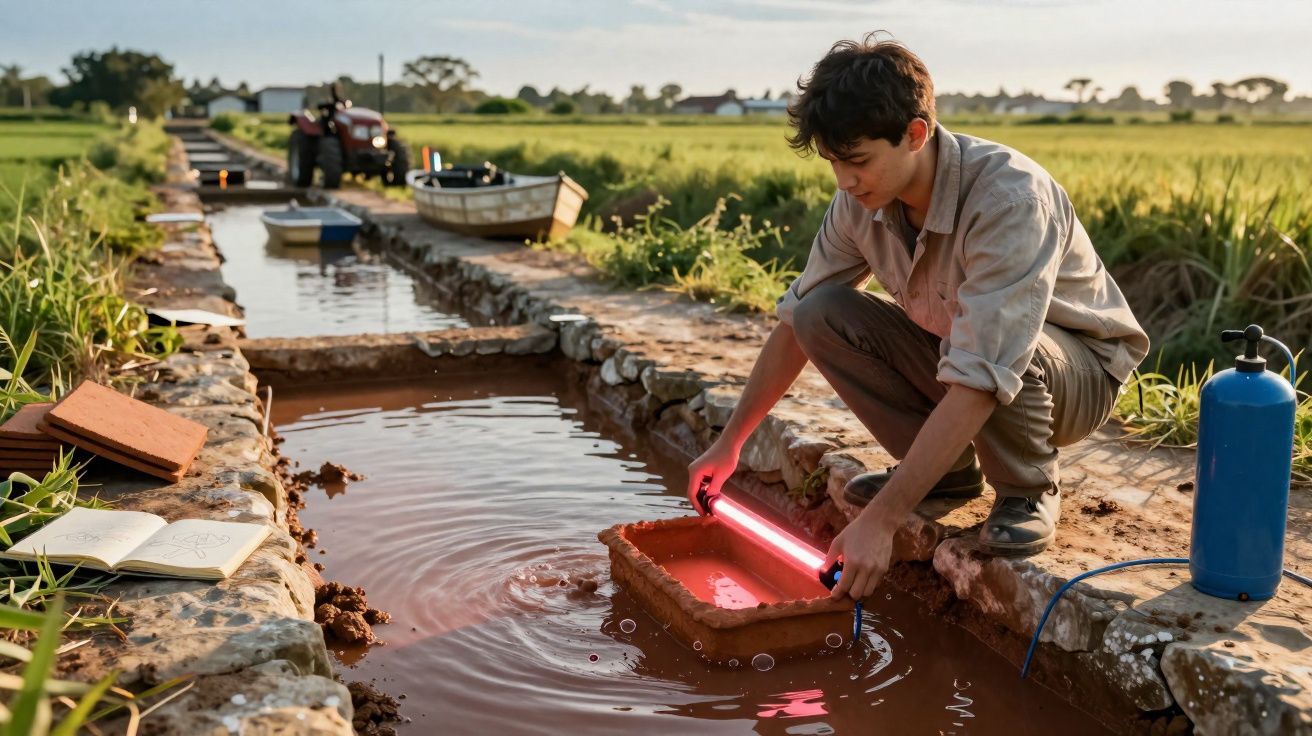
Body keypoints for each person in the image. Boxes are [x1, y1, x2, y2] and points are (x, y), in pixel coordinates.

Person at [685, 34, 1149, 602]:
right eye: (833, 163)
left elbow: (984, 371)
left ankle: (1028, 489)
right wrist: (730, 443)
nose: (844, 182)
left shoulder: (1008, 200)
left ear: (915, 134)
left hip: (1072, 375)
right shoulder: (860, 204)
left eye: (857, 161)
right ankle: (948, 474)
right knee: (819, 313)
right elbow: (794, 325)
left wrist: (880, 520)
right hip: (966, 352)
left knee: (999, 352)